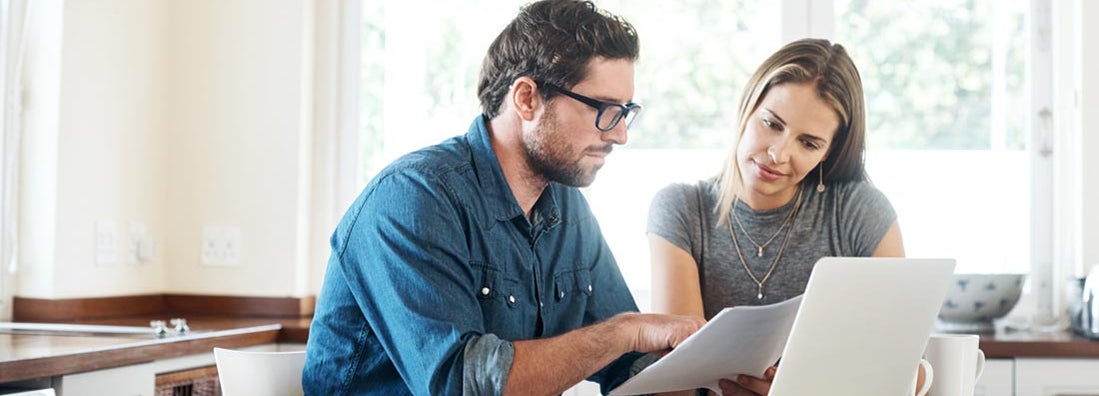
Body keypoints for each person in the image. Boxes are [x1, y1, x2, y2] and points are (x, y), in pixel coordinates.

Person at [303, 0, 704, 394]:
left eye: (625, 111)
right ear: (526, 99)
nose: (620, 134)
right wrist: (625, 331)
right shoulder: (412, 198)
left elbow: (628, 364)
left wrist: (721, 379)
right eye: (603, 108)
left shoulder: (566, 208)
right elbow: (462, 385)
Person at [646, 38, 906, 396]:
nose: (778, 154)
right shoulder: (681, 209)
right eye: (771, 123)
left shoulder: (858, 211)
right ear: (747, 107)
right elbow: (675, 385)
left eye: (809, 143)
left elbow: (907, 368)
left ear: (829, 153)